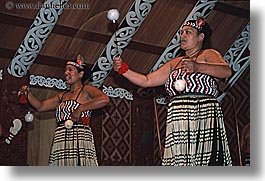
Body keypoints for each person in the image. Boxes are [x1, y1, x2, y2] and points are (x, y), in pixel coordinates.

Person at [113, 17, 232, 166]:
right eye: (182, 32)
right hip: (179, 118)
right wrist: (124, 70)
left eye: (188, 32)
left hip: (203, 116)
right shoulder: (174, 63)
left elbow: (226, 71)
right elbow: (146, 81)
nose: (182, 36)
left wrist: (198, 67)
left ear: (201, 37)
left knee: (206, 161)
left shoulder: (208, 54)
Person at [19, 54, 110, 166]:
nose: (66, 73)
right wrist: (28, 94)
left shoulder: (86, 90)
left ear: (80, 74)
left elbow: (104, 99)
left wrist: (80, 108)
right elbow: (41, 106)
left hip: (79, 136)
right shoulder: (62, 96)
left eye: (70, 70)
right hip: (61, 136)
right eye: (66, 70)